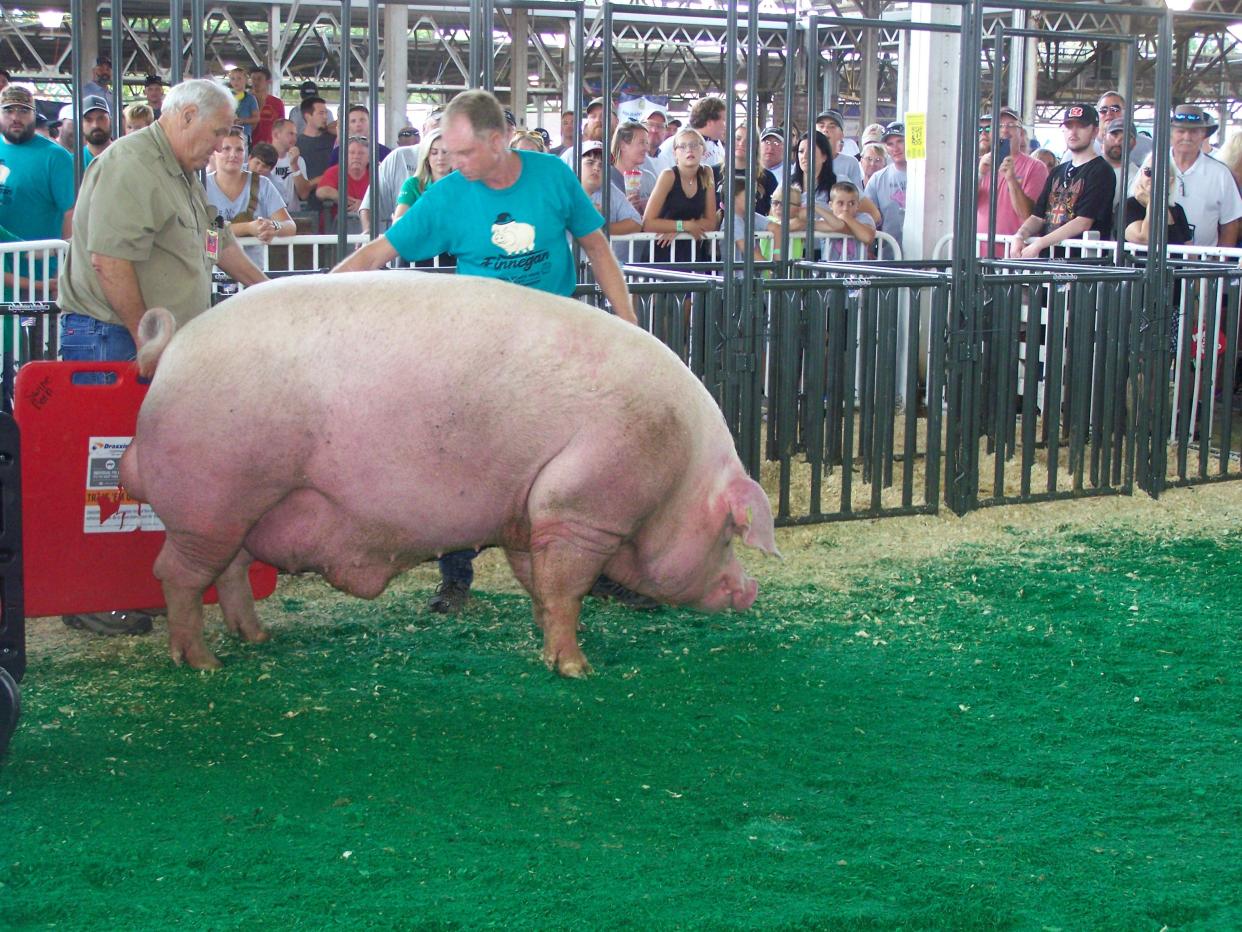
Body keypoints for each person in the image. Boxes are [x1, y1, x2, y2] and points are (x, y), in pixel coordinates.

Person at [332, 88, 640, 615]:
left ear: (498, 140)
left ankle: (596, 570)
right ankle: (456, 577)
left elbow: (596, 246)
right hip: (481, 355)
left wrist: (629, 324)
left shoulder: (553, 176)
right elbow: (381, 250)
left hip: (553, 349)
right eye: (448, 153)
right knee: (464, 461)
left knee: (576, 463)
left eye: (465, 152)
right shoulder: (449, 195)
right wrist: (314, 294)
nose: (454, 163)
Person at [57, 78, 268, 636]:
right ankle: (94, 594)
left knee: (151, 468)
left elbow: (213, 242)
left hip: (153, 343)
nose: (224, 142)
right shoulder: (131, 164)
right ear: (186, 116)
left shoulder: (180, 172)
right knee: (109, 467)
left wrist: (270, 293)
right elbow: (109, 260)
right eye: (219, 129)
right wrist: (144, 338)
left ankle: (133, 586)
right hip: (113, 339)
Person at [1010, 104, 1115, 259]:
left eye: (1081, 126)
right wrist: (1020, 235)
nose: (1073, 132)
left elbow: (1083, 222)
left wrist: (1039, 244)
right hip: (1050, 261)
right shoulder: (1057, 171)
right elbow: (1038, 216)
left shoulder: (1102, 171)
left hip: (1082, 266)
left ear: (1094, 131)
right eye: (1068, 126)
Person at [0, 85, 75, 299]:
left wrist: (63, 264)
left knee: (39, 333)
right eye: (8, 110)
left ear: (34, 114)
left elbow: (69, 211)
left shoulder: (56, 156)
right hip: (2, 275)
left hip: (41, 276)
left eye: (23, 111)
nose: (16, 117)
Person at [205, 128, 296, 265]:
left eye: (239, 150)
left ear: (245, 153)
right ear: (214, 152)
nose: (233, 154)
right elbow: (202, 231)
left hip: (253, 273)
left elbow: (290, 226)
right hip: (213, 274)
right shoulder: (201, 186)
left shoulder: (263, 184)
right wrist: (248, 228)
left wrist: (273, 226)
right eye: (226, 149)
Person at [976, 110, 1049, 257]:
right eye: (999, 125)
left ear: (1021, 133)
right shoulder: (980, 164)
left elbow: (1030, 214)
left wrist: (1012, 180)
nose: (1004, 130)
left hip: (1015, 254)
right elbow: (964, 207)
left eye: (1011, 125)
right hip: (979, 252)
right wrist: (979, 174)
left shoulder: (1036, 167)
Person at [1168, 105, 1242, 248]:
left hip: (1202, 266)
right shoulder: (1153, 165)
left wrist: (1217, 265)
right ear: (1171, 134)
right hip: (1158, 263)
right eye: (1181, 131)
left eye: (1194, 132)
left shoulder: (1221, 174)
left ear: (1203, 134)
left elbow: (1230, 224)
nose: (1187, 137)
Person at [643, 127, 719, 265]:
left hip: (692, 251)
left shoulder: (706, 173)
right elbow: (648, 223)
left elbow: (710, 222)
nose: (689, 150)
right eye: (682, 146)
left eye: (694, 145)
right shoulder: (668, 175)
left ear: (703, 149)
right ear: (675, 154)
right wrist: (684, 226)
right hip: (662, 251)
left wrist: (682, 228)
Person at [1124, 154, 1192, 247]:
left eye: (1161, 173)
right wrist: (1150, 202)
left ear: (1170, 181)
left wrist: (1150, 202)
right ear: (1141, 174)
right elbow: (1144, 238)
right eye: (1149, 172)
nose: (1153, 178)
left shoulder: (1177, 209)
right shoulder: (1128, 205)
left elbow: (1189, 252)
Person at [863, 121, 907, 252]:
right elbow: (867, 218)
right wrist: (869, 249)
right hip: (889, 256)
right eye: (890, 144)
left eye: (900, 141)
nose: (896, 148)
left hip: (925, 258)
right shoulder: (877, 179)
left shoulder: (926, 176)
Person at [391, 126, 450, 223]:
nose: (440, 157)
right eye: (434, 153)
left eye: (445, 152)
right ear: (426, 156)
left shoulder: (464, 183)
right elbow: (399, 223)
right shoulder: (412, 185)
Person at [652, 96, 726, 173]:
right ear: (710, 122)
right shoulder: (674, 144)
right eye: (724, 120)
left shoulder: (716, 143)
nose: (726, 125)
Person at [296, 96, 335, 211]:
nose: (325, 117)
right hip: (307, 205)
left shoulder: (334, 140)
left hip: (332, 202)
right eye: (321, 113)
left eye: (326, 113)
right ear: (308, 116)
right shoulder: (297, 144)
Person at [316, 135, 370, 219]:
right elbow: (321, 191)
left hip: (368, 225)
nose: (356, 157)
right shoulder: (335, 171)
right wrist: (343, 199)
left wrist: (364, 205)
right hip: (336, 226)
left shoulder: (375, 175)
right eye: (352, 153)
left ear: (369, 158)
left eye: (361, 153)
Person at [609, 120, 656, 214]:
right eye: (642, 143)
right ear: (622, 146)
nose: (647, 148)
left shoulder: (649, 178)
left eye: (647, 143)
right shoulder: (606, 178)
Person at [822, 181, 876, 261]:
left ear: (858, 205)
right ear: (831, 205)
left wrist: (845, 217)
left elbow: (867, 237)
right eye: (840, 203)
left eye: (851, 203)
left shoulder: (864, 218)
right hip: (830, 272)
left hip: (857, 272)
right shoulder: (825, 219)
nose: (845, 208)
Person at [1095, 90, 1151, 167]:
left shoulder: (1147, 146)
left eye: (1115, 109)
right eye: (1103, 110)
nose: (1108, 113)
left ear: (1127, 113)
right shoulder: (1085, 145)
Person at [269, 117, 312, 211]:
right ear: (276, 135)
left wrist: (294, 165)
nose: (295, 138)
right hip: (267, 218)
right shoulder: (261, 159)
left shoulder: (299, 160)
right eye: (290, 134)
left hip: (292, 218)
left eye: (295, 135)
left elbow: (304, 194)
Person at [1102, 118, 1137, 210]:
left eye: (1126, 137)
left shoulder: (1138, 177)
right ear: (1104, 137)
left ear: (1134, 143)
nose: (1118, 141)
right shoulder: (1088, 169)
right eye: (1114, 134)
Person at [248, 65, 284, 145]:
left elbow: (281, 127)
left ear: (268, 81)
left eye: (259, 79)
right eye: (253, 79)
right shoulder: (244, 101)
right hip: (248, 146)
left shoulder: (277, 103)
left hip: (270, 147)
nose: (256, 82)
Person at [227, 67, 260, 140]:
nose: (236, 81)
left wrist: (243, 120)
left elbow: (257, 118)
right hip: (228, 134)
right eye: (233, 79)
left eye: (239, 78)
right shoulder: (227, 97)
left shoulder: (250, 98)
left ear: (246, 80)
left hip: (244, 135)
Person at [80, 95, 112, 167]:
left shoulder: (125, 157)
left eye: (101, 118)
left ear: (110, 120)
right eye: (88, 120)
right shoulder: (73, 162)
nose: (95, 125)